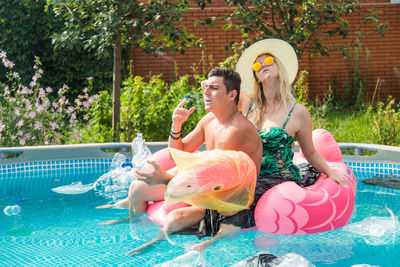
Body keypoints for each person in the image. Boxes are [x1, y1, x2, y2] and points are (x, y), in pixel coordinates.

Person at [97, 67, 263, 255]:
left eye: (214, 88)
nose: (206, 92)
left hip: (227, 197)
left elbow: (213, 180)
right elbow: (176, 152)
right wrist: (176, 125)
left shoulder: (237, 130)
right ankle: (133, 225)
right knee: (136, 188)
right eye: (205, 87)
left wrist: (165, 179)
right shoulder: (210, 120)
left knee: (176, 218)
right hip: (208, 187)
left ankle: (155, 242)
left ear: (232, 95)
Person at [235, 38, 346, 200]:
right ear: (256, 77)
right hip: (252, 177)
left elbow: (310, 152)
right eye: (257, 65)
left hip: (279, 179)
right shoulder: (248, 105)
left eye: (268, 61)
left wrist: (331, 174)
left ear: (279, 68)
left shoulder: (297, 112)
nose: (263, 65)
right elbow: (223, 102)